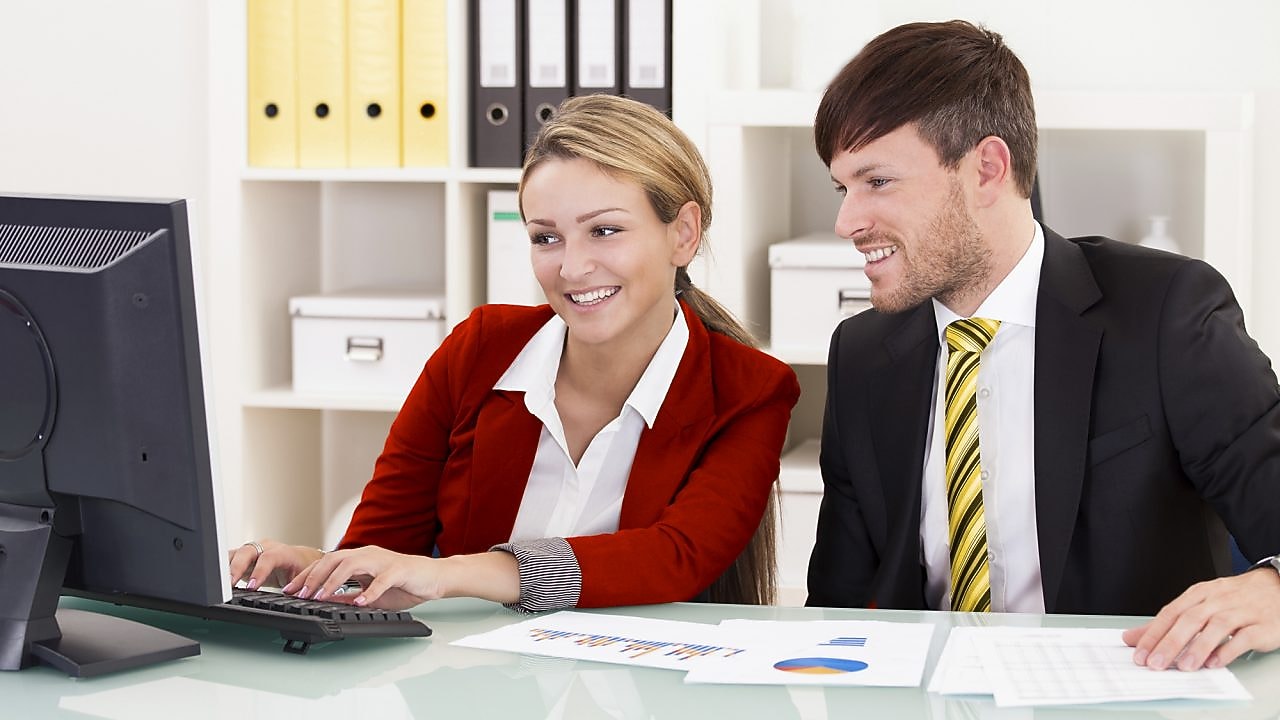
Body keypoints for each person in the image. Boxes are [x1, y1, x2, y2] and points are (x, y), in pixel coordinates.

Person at [805, 19, 1280, 671]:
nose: (846, 222)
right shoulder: (862, 354)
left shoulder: (1166, 311)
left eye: (877, 182)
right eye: (842, 187)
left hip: (1124, 699)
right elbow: (836, 604)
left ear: (987, 169)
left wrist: (1272, 585)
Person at [228, 94, 800, 613]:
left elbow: (678, 555)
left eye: (604, 231)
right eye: (545, 237)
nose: (571, 268)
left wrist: (453, 575)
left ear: (683, 233)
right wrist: (319, 570)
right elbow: (387, 549)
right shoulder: (479, 349)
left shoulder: (749, 388)